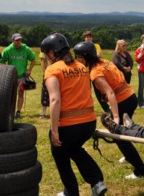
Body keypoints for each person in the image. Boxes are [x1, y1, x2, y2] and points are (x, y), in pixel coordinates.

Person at [41, 33, 107, 196]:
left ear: (52, 52)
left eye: (46, 53)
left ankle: (71, 192)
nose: (46, 57)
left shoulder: (53, 70)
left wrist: (54, 130)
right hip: (88, 123)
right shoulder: (81, 67)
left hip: (68, 125)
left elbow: (55, 99)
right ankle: (97, 182)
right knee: (74, 148)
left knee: (60, 155)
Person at [73, 41, 144, 180]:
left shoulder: (95, 73)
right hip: (130, 96)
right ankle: (129, 156)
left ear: (87, 57)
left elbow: (110, 93)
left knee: (120, 138)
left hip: (123, 101)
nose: (77, 60)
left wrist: (115, 117)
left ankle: (142, 171)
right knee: (123, 134)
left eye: (79, 57)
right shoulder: (104, 61)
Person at [0, 33, 36, 119]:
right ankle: (9, 111)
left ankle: (18, 112)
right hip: (11, 76)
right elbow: (2, 61)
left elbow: (33, 60)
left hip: (22, 76)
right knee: (10, 94)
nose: (19, 42)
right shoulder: (7, 50)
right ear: (13, 41)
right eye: (17, 40)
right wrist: (5, 71)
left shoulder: (26, 49)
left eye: (20, 40)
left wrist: (29, 70)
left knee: (20, 93)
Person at [39, 51, 50, 118]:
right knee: (45, 93)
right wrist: (45, 73)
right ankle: (43, 112)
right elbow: (43, 61)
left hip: (57, 72)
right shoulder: (44, 49)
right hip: (48, 73)